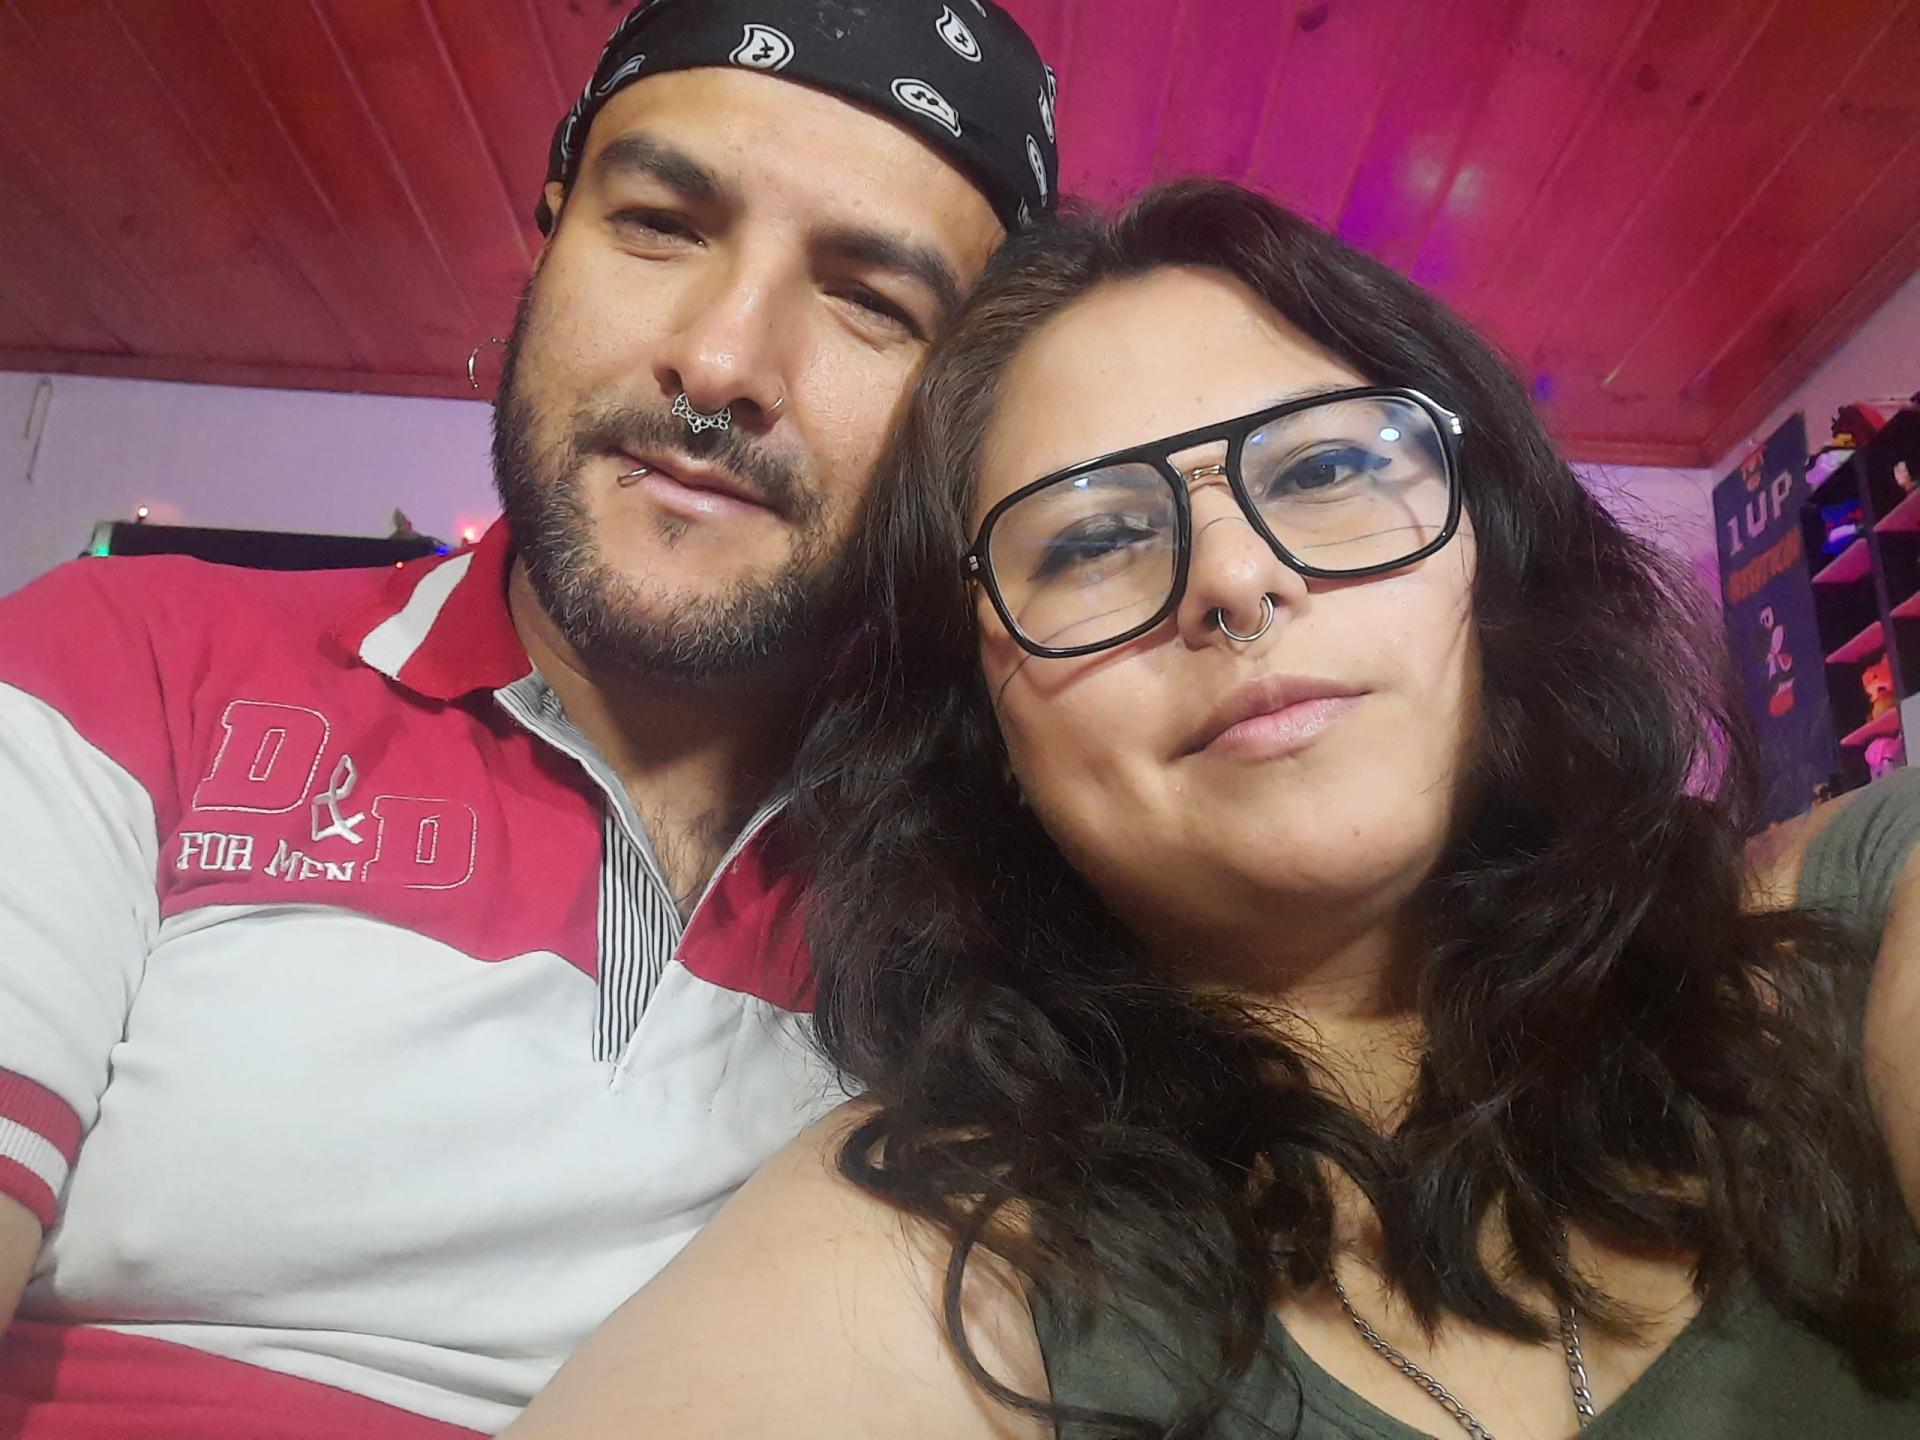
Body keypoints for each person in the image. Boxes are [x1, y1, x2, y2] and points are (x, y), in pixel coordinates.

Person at [507, 181, 1920, 1438]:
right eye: (1092, 540)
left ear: (1487, 551)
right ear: (982, 723)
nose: (1235, 579)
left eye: (1327, 469)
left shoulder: (1850, 938)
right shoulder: (936, 1247)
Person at [0, 2, 1057, 1434]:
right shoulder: (125, 660)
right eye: (661, 224)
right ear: (549, 242)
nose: (722, 363)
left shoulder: (1020, 889)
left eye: (872, 298)